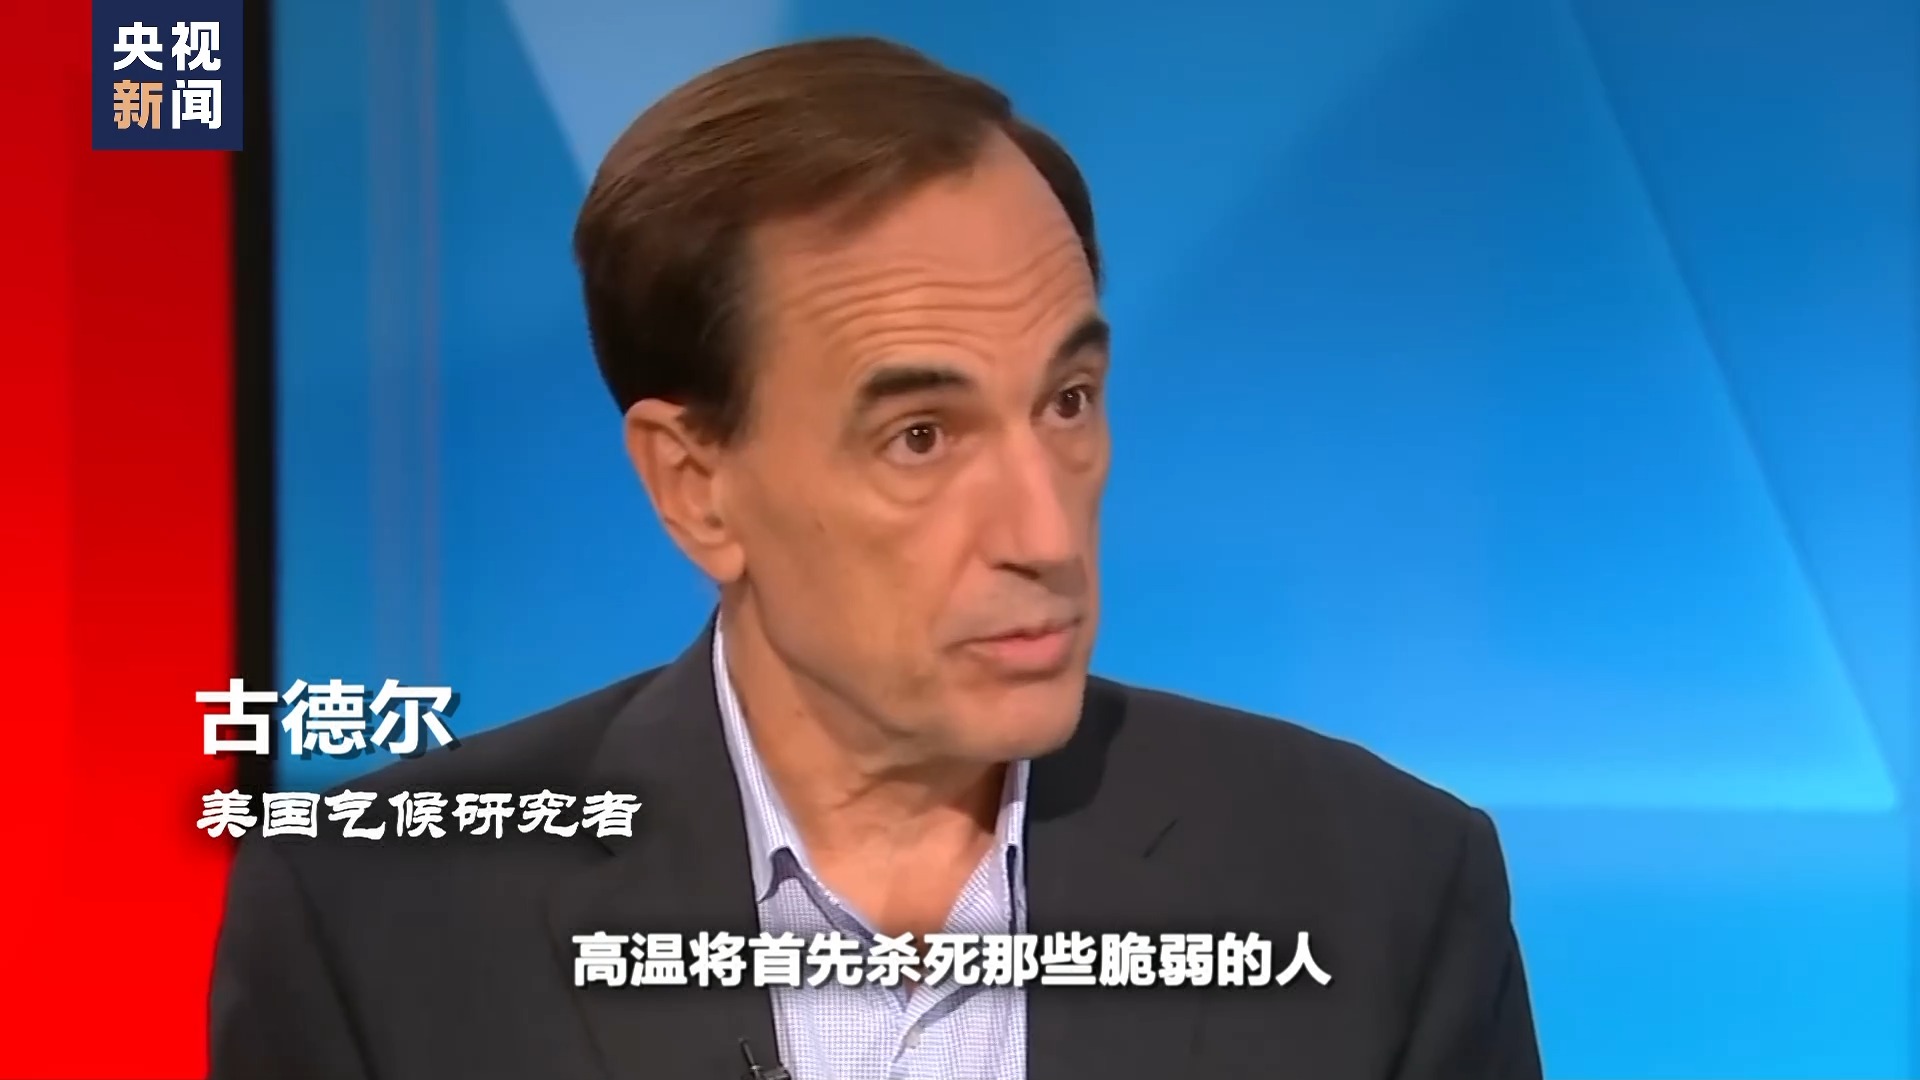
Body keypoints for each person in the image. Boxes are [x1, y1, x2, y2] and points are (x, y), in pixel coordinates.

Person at [209, 36, 1542, 1080]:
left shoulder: (1383, 891)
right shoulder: (374, 920)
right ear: (695, 486)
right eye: (920, 436)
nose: (1043, 535)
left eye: (1067, 402)